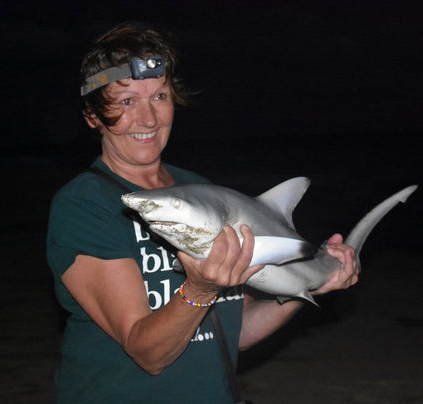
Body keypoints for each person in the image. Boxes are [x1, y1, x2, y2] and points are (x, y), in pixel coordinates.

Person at [46, 22, 359, 403]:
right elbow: (148, 353)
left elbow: (237, 331)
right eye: (126, 101)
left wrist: (309, 287)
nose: (148, 119)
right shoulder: (85, 205)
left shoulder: (204, 194)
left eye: (159, 96)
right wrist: (200, 288)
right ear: (93, 116)